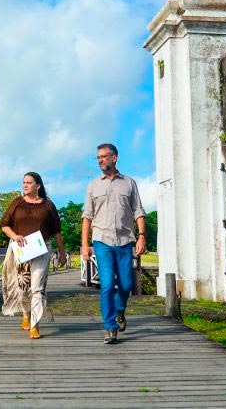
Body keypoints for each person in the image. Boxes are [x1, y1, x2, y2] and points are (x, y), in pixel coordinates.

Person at [81, 143, 146, 344]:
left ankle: (120, 311)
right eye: (98, 157)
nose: (100, 160)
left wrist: (142, 235)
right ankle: (110, 327)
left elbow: (138, 211)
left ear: (114, 158)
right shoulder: (93, 185)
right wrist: (84, 244)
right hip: (102, 241)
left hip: (126, 241)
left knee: (126, 284)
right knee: (107, 284)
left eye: (103, 156)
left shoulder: (129, 183)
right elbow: (87, 217)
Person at [1, 172, 67, 339]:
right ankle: (26, 313)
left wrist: (62, 252)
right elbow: (4, 225)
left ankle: (34, 325)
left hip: (41, 248)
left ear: (38, 185)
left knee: (37, 287)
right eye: (23, 182)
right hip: (20, 249)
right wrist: (15, 236)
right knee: (22, 287)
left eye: (29, 182)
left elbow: (57, 231)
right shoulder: (17, 203)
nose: (25, 185)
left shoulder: (48, 205)